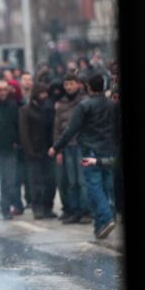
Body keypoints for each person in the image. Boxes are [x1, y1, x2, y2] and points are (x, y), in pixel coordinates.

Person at [49, 74, 117, 239]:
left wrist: (56, 147)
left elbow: (71, 129)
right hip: (108, 151)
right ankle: (99, 226)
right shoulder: (112, 105)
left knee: (95, 188)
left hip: (90, 151)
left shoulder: (84, 105)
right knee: (106, 187)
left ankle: (106, 218)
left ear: (88, 87)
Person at [54, 73, 90, 224]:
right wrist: (57, 148)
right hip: (67, 146)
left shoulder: (84, 101)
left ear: (78, 84)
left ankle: (86, 210)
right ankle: (73, 210)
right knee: (71, 181)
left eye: (71, 83)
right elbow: (57, 129)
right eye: (66, 84)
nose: (69, 87)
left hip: (81, 145)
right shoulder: (60, 104)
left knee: (83, 181)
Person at [19, 83, 57, 219]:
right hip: (34, 152)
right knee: (36, 183)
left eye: (45, 93)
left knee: (50, 181)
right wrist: (29, 151)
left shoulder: (48, 108)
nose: (44, 96)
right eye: (41, 93)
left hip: (47, 150)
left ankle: (48, 207)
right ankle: (38, 208)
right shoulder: (26, 110)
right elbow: (24, 132)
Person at [0, 80, 21, 220]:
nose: (2, 92)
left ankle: (6, 209)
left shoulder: (13, 105)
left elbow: (16, 124)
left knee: (9, 181)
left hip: (9, 148)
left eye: (4, 89)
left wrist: (16, 141)